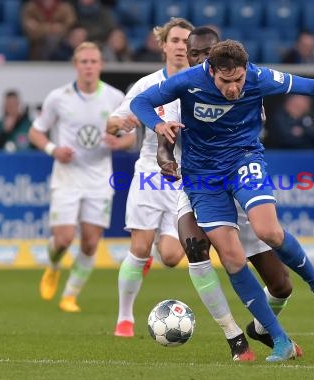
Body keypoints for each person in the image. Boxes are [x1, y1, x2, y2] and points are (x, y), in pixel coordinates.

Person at [130, 39, 314, 361]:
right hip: (202, 176)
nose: (234, 88)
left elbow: (312, 87)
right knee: (232, 258)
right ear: (211, 71)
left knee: (269, 231)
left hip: (243, 159)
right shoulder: (188, 81)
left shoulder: (261, 77)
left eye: (239, 80)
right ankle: (280, 340)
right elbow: (141, 103)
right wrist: (159, 124)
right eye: (225, 82)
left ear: (246, 70)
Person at [156, 26, 299, 361]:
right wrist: (165, 160)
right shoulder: (181, 91)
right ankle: (235, 339)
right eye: (196, 54)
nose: (203, 59)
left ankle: (262, 329)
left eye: (209, 52)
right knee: (194, 246)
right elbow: (164, 144)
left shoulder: (243, 85)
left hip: (239, 186)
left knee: (282, 285)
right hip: (200, 186)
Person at [29, 42, 134, 312]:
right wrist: (53, 149)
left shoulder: (113, 97)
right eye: (83, 62)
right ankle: (53, 266)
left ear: (100, 65)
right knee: (63, 239)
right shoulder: (58, 97)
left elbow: (132, 136)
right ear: (76, 65)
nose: (88, 66)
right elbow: (36, 132)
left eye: (93, 61)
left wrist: (117, 143)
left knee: (89, 242)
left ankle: (69, 295)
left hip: (99, 179)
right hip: (67, 177)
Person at [105, 18, 193, 340]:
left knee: (170, 257)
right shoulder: (147, 85)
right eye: (176, 40)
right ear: (164, 45)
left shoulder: (199, 86)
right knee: (139, 247)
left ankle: (158, 244)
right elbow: (113, 122)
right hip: (150, 173)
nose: (181, 46)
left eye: (186, 41)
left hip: (185, 178)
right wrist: (120, 125)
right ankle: (124, 318)